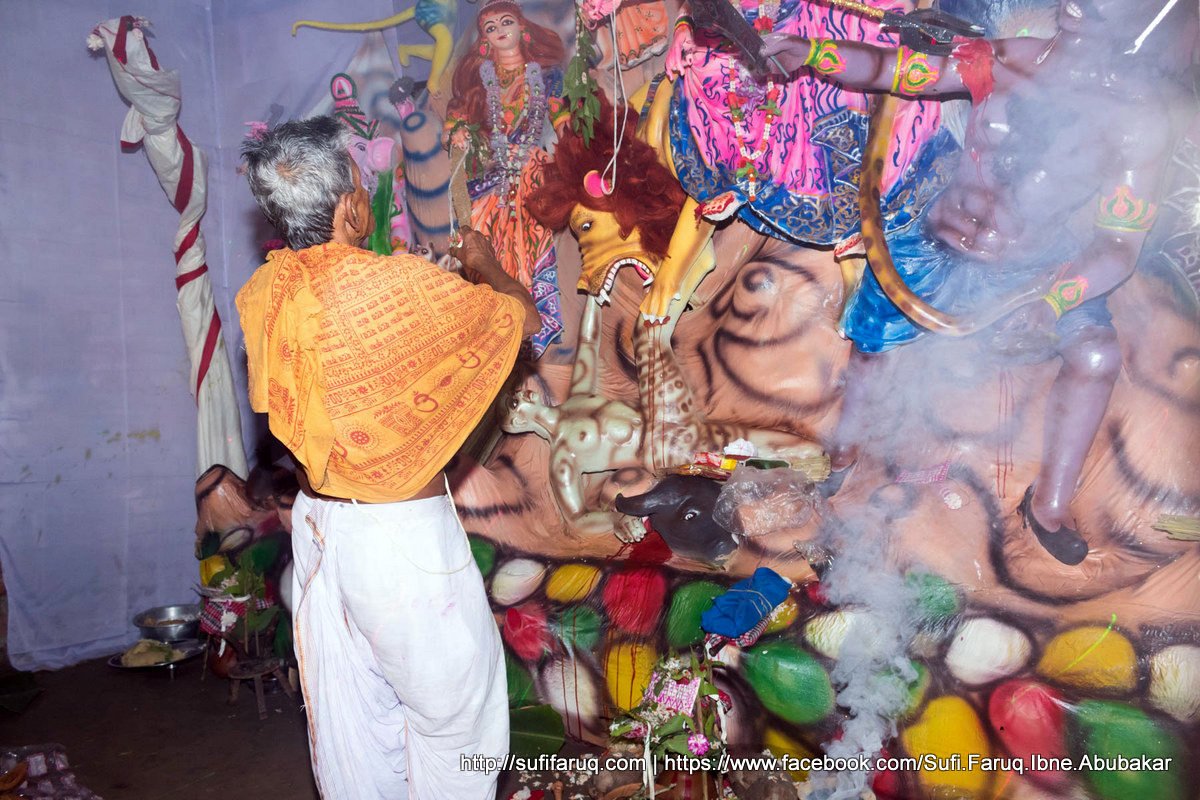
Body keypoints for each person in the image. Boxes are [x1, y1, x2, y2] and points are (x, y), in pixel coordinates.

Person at [761, 0, 1196, 564]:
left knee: (1095, 356)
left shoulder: (1138, 120)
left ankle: (1049, 506)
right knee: (871, 344)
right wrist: (813, 54)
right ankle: (843, 453)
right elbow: (893, 69)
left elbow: (1119, 245)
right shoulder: (1003, 60)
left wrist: (1052, 298)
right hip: (939, 237)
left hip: (1033, 269)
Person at [236, 115, 539, 799]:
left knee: (355, 730)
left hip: (321, 535)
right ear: (349, 207)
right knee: (457, 728)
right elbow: (520, 321)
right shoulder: (394, 285)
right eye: (360, 184)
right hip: (399, 544)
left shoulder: (262, 294)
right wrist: (484, 264)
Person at [443, 0, 569, 357]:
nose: (500, 31)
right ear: (483, 41)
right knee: (477, 230)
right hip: (492, 176)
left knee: (529, 218)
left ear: (523, 28)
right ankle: (492, 319)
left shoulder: (546, 76)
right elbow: (455, 125)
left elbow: (563, 123)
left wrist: (573, 152)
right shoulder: (478, 86)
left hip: (533, 163)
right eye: (491, 28)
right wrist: (457, 135)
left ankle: (531, 313)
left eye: (506, 22)